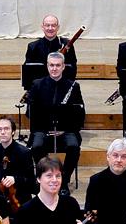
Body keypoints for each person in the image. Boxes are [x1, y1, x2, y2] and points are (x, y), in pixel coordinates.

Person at [26, 52, 85, 192]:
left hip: (66, 129)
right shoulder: (37, 84)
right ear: (47, 66)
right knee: (36, 146)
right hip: (43, 129)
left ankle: (63, 180)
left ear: (63, 67)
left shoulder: (73, 86)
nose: (54, 69)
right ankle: (43, 178)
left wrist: (65, 129)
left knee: (74, 146)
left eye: (58, 65)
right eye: (51, 65)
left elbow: (80, 113)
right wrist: (44, 127)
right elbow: (30, 112)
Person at [0, 116, 35, 209]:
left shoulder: (24, 152)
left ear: (13, 131)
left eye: (6, 129)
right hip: (0, 198)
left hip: (19, 199)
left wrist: (15, 179)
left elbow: (32, 183)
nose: (2, 132)